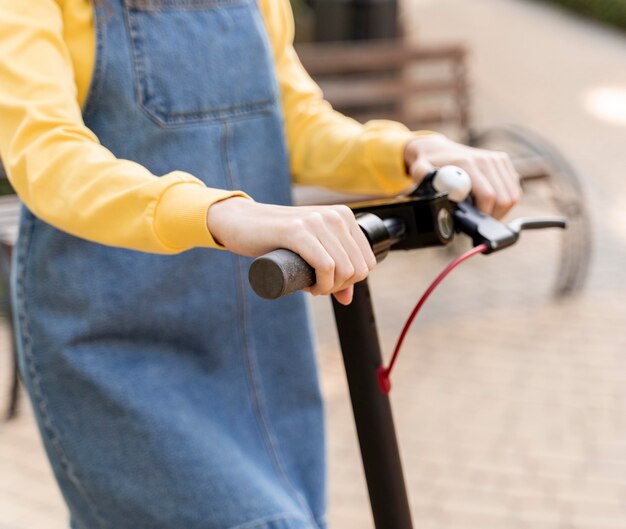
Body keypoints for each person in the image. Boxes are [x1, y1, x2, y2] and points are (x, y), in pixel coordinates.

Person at [0, 1, 521, 528]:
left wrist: (410, 150)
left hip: (259, 340)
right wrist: (223, 214)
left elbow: (297, 122)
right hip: (120, 346)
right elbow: (46, 156)